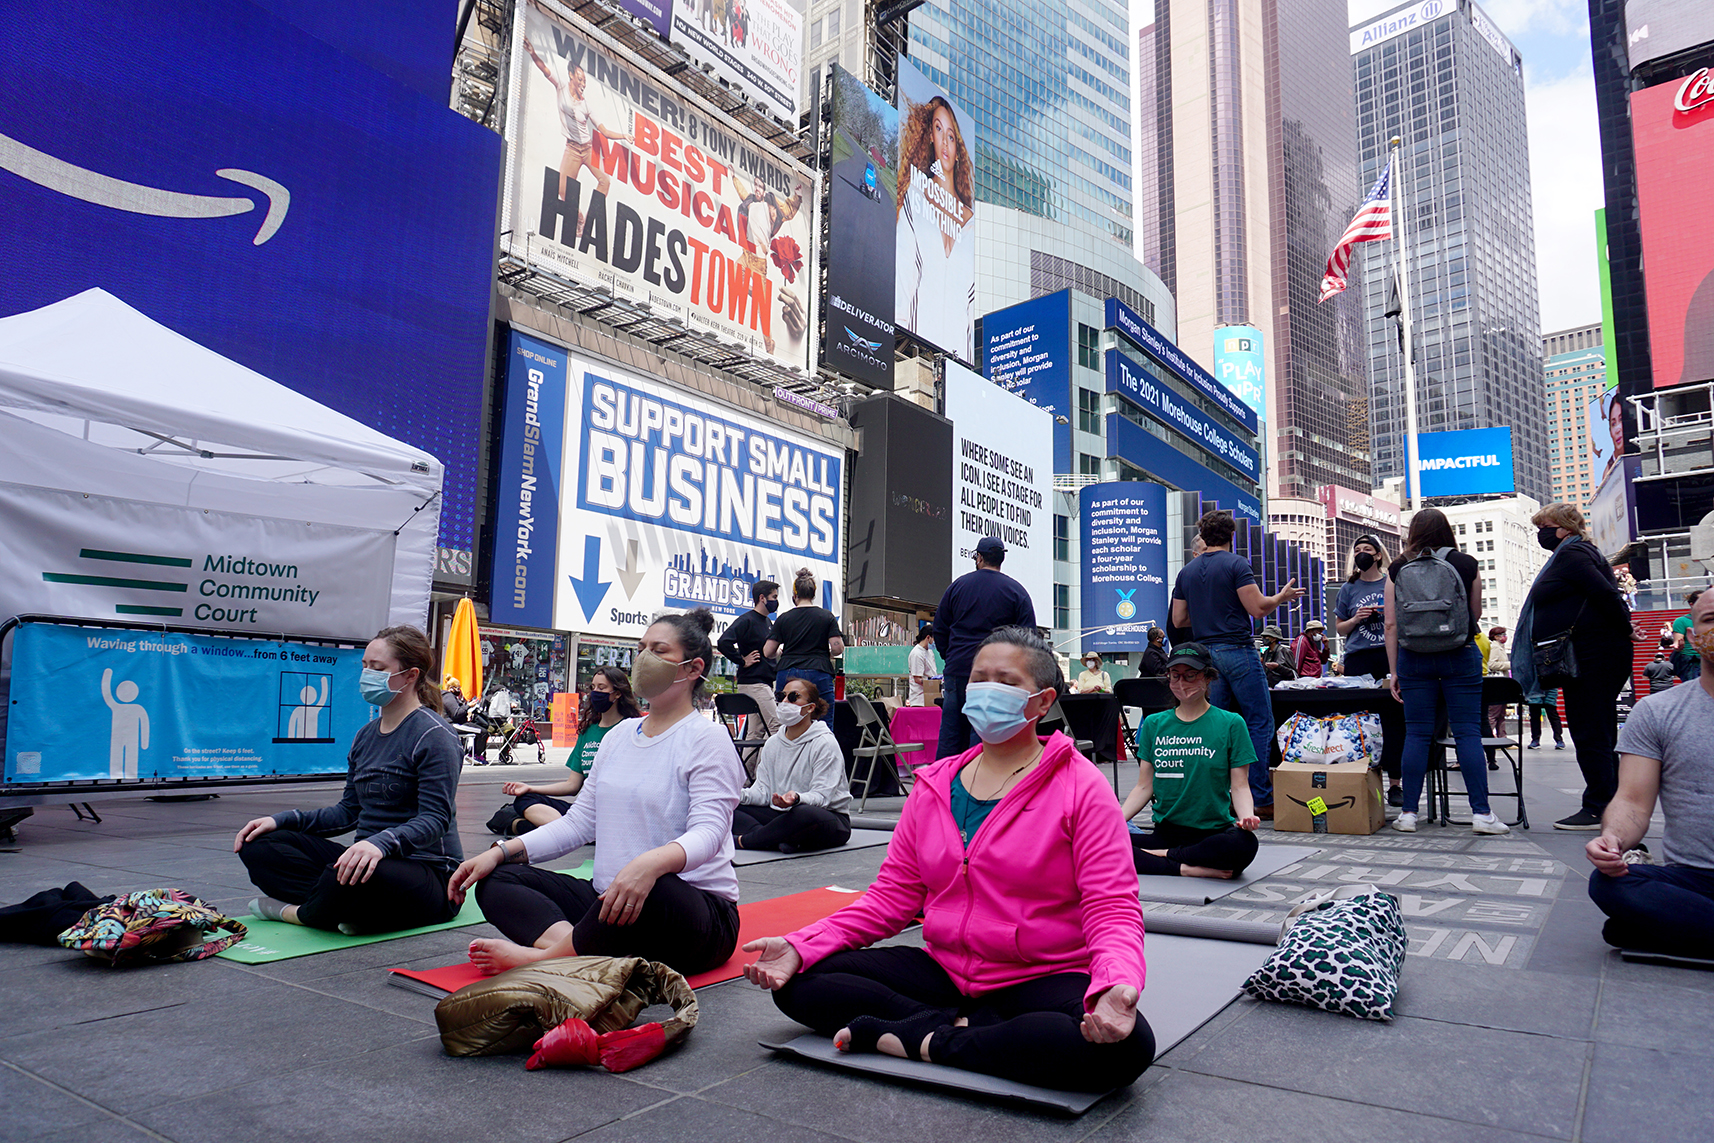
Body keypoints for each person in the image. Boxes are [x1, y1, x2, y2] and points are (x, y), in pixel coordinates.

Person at [740, 627, 1153, 1094]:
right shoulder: (935, 784)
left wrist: (1113, 983)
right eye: (979, 678)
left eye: (1007, 681)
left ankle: (926, 1038)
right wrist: (802, 944)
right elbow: (890, 900)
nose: (987, 690)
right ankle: (968, 1030)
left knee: (1125, 1043)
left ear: (1043, 702)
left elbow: (1112, 905)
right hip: (946, 970)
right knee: (799, 982)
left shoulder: (1082, 786)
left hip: (1041, 974)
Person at [448, 610, 743, 976]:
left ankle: (547, 958)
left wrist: (649, 864)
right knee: (498, 879)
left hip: (690, 911)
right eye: (641, 648)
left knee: (654, 887)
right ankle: (580, 948)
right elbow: (580, 823)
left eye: (658, 650)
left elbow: (710, 833)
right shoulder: (619, 735)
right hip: (610, 902)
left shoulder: (707, 738)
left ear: (692, 668)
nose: (643, 659)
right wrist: (501, 851)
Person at [235, 626, 464, 933]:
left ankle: (299, 913)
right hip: (363, 862)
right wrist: (280, 820)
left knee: (346, 877)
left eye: (378, 668)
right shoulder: (365, 736)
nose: (367, 674)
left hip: (427, 873)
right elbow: (348, 813)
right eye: (365, 666)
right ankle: (346, 909)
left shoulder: (435, 736)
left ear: (410, 676)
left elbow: (436, 818)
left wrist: (380, 844)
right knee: (260, 847)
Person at [1585, 590, 1714, 959]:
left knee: (1623, 927)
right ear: (1690, 637)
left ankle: (1681, 931)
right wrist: (1612, 840)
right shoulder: (1657, 712)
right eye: (1710, 619)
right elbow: (1632, 802)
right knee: (1610, 885)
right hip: (1694, 879)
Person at [1170, 510, 1306, 819]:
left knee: (1215, 725)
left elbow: (1179, 619)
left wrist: (1207, 615)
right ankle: (1258, 796)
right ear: (1232, 536)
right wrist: (1281, 597)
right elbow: (1257, 609)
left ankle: (1222, 797)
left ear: (1203, 536)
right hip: (1237, 649)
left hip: (1205, 655)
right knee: (1257, 721)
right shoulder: (1236, 564)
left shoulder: (1186, 572)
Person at [1384, 508, 1509, 835]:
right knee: (1468, 732)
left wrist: (1393, 669)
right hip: (1459, 653)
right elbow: (1475, 613)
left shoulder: (1398, 567)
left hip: (1413, 657)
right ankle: (1481, 814)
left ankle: (1408, 814)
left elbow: (1391, 623)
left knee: (1417, 733)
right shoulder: (1466, 564)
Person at [1514, 502, 1638, 831]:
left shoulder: (1573, 555)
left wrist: (1627, 627)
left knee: (1589, 731)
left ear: (1566, 528)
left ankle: (1599, 806)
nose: (1542, 532)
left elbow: (1605, 594)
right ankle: (1608, 801)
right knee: (1596, 729)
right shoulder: (1577, 553)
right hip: (1592, 653)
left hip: (1591, 655)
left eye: (1546, 525)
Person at [1120, 644, 1261, 879]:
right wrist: (1114, 822)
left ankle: (1162, 856)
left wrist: (1246, 816)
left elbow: (1239, 785)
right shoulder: (1154, 724)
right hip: (1166, 831)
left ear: (1207, 677)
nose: (1182, 683)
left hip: (1213, 833)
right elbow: (1144, 786)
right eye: (1175, 676)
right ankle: (1183, 867)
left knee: (1244, 845)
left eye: (1190, 675)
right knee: (1091, 844)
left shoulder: (1231, 723)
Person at [498, 667, 641, 832]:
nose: (595, 692)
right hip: (587, 811)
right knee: (525, 799)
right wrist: (529, 788)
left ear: (617, 694)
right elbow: (572, 785)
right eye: (593, 687)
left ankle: (567, 831)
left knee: (523, 822)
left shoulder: (631, 729)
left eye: (601, 688)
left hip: (615, 811)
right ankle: (572, 831)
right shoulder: (588, 730)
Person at [932, 536, 1038, 759]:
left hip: (958, 671)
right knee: (982, 734)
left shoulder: (957, 587)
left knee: (951, 733)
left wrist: (950, 657)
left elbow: (940, 629)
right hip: (995, 676)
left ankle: (942, 787)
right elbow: (1029, 639)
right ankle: (979, 786)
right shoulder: (1016, 591)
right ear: (1002, 559)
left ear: (978, 557)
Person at [894, 94, 976, 360]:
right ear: (929, 136)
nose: (945, 141)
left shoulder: (972, 225)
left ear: (957, 148)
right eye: (938, 130)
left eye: (951, 136)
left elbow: (969, 312)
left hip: (956, 374)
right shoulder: (916, 198)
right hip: (914, 358)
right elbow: (903, 283)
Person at [734, 678, 852, 853]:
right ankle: (774, 839)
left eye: (793, 697)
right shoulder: (773, 743)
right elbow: (761, 792)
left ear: (810, 707)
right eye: (781, 696)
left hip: (825, 816)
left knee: (804, 814)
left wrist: (797, 798)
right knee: (730, 805)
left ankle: (746, 841)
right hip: (781, 816)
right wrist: (733, 794)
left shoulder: (825, 743)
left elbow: (822, 797)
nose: (784, 702)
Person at [523, 36, 631, 203]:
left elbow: (604, 131)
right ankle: (579, 218)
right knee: (562, 191)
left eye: (585, 81)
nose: (583, 84)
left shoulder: (586, 106)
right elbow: (544, 69)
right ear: (571, 75)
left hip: (587, 149)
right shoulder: (561, 86)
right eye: (580, 79)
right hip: (572, 149)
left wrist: (624, 135)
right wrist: (533, 53)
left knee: (605, 181)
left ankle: (589, 221)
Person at [764, 570, 845, 730]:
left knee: (787, 722)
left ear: (795, 595)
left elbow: (768, 651)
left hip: (787, 672)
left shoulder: (784, 618)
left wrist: (781, 652)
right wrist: (827, 653)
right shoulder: (826, 617)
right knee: (823, 723)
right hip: (819, 670)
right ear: (813, 594)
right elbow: (838, 648)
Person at [718, 579, 781, 740]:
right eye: (774, 597)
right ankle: (768, 765)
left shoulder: (767, 622)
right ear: (762, 598)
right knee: (776, 727)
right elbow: (723, 642)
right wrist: (742, 660)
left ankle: (747, 766)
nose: (776, 601)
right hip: (754, 683)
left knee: (756, 733)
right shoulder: (747, 620)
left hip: (762, 682)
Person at [1335, 535, 1390, 682]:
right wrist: (1355, 619)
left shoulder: (1391, 584)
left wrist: (1389, 612)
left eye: (1367, 549)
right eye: (1357, 550)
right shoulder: (1348, 588)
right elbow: (1340, 629)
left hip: (1389, 653)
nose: (1362, 553)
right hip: (1358, 657)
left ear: (1378, 556)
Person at [1671, 590, 1703, 682]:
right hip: (1691, 661)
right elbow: (1677, 641)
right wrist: (1677, 647)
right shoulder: (1682, 621)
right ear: (1692, 604)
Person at [907, 624, 937, 706]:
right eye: (934, 639)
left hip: (930, 696)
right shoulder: (916, 653)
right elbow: (917, 679)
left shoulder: (930, 652)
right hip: (919, 700)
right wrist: (933, 683)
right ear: (928, 637)